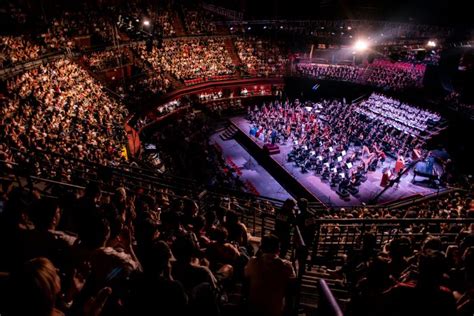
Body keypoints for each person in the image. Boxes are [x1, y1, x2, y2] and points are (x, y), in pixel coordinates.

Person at [244, 235, 296, 316]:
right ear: (278, 249)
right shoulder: (286, 266)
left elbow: (246, 275)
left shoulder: (253, 262)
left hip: (253, 309)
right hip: (275, 310)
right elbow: (292, 285)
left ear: (261, 248)